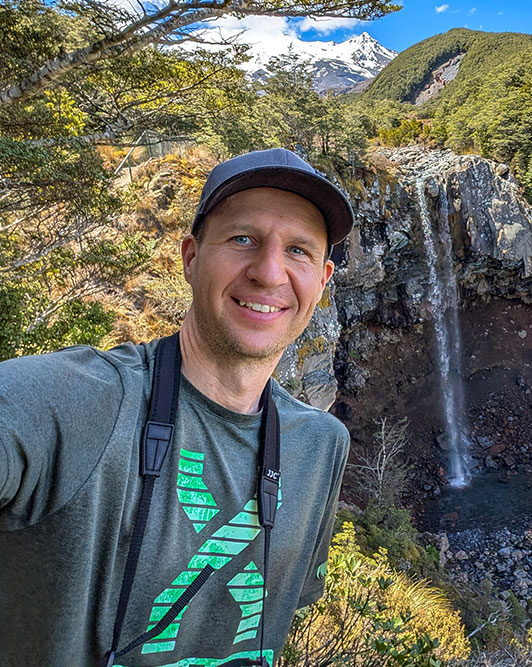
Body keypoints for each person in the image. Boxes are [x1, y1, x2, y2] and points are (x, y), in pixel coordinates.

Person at [0, 148, 356, 666]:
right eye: (243, 239)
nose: (270, 271)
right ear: (190, 257)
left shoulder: (320, 446)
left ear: (322, 282)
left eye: (298, 250)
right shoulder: (85, 403)